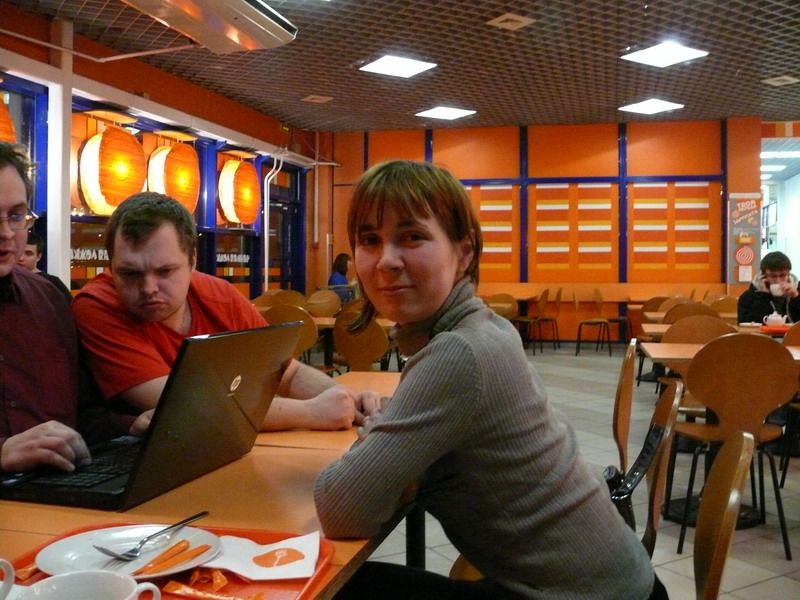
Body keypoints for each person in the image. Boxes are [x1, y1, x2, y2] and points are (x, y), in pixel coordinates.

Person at [314, 161, 666, 600]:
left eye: (412, 236)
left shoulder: (459, 352)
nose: (386, 260)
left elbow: (341, 508)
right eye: (370, 240)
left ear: (463, 254)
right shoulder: (485, 327)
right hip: (617, 583)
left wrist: (381, 444)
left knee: (330, 587)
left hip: (590, 596)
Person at [72, 192, 377, 433]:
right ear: (111, 267)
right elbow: (182, 405)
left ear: (192, 262)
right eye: (129, 274)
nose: (148, 288)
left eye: (165, 271)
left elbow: (286, 373)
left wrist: (348, 399)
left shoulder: (217, 294)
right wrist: (310, 412)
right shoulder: (97, 306)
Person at [0, 142, 90, 473]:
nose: (6, 233)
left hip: (60, 491)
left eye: (16, 215)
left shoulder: (51, 299)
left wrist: (136, 424)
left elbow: (85, 415)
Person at [738, 250, 800, 324]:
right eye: (773, 276)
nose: (778, 280)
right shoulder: (749, 296)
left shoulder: (797, 291)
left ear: (788, 275)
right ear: (763, 276)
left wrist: (796, 297)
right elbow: (747, 324)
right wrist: (763, 296)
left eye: (782, 275)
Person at [17, 230, 73, 304]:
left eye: (28, 254)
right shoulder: (6, 280)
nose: (21, 258)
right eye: (18, 252)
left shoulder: (52, 283)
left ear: (38, 256)